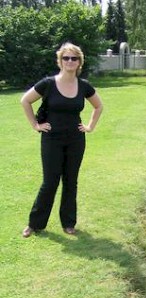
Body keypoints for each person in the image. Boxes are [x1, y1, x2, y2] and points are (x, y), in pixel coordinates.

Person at [21, 42, 103, 238]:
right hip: (52, 139)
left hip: (76, 139)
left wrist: (90, 126)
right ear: (60, 61)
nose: (70, 61)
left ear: (79, 62)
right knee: (50, 181)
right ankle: (35, 224)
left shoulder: (84, 86)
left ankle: (68, 223)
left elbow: (98, 106)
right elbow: (25, 100)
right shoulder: (48, 83)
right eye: (66, 58)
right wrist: (35, 125)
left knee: (70, 181)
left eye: (74, 58)